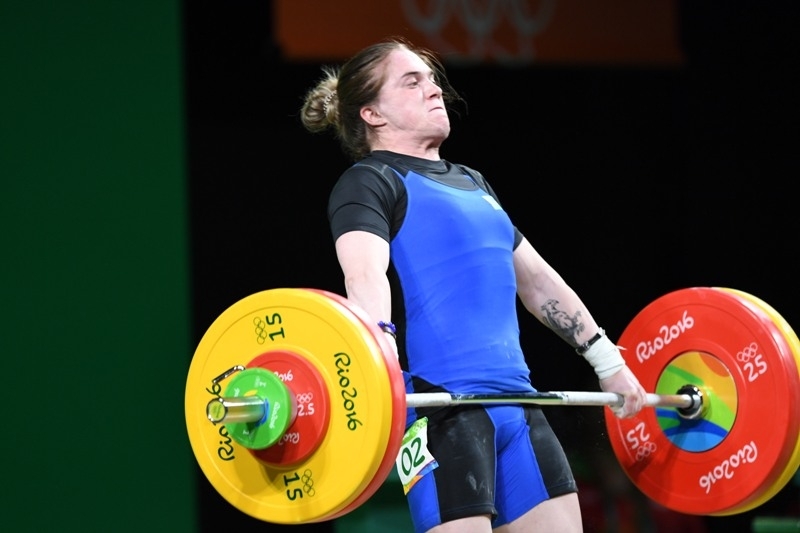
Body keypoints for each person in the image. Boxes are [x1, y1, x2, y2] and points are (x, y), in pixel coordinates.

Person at [300, 36, 648, 533]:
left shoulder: (473, 182)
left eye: (431, 78)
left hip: (520, 408)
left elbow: (538, 281)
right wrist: (380, 366)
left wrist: (609, 363)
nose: (434, 89)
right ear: (372, 114)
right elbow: (365, 275)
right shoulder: (369, 181)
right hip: (441, 411)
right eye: (411, 81)